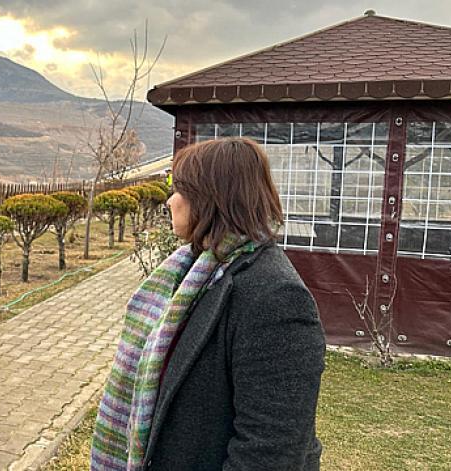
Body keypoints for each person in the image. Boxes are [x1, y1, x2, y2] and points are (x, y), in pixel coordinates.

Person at [91, 138, 325, 471]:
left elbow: (269, 452)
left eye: (180, 190)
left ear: (210, 199)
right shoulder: (193, 272)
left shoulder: (275, 298)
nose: (170, 201)